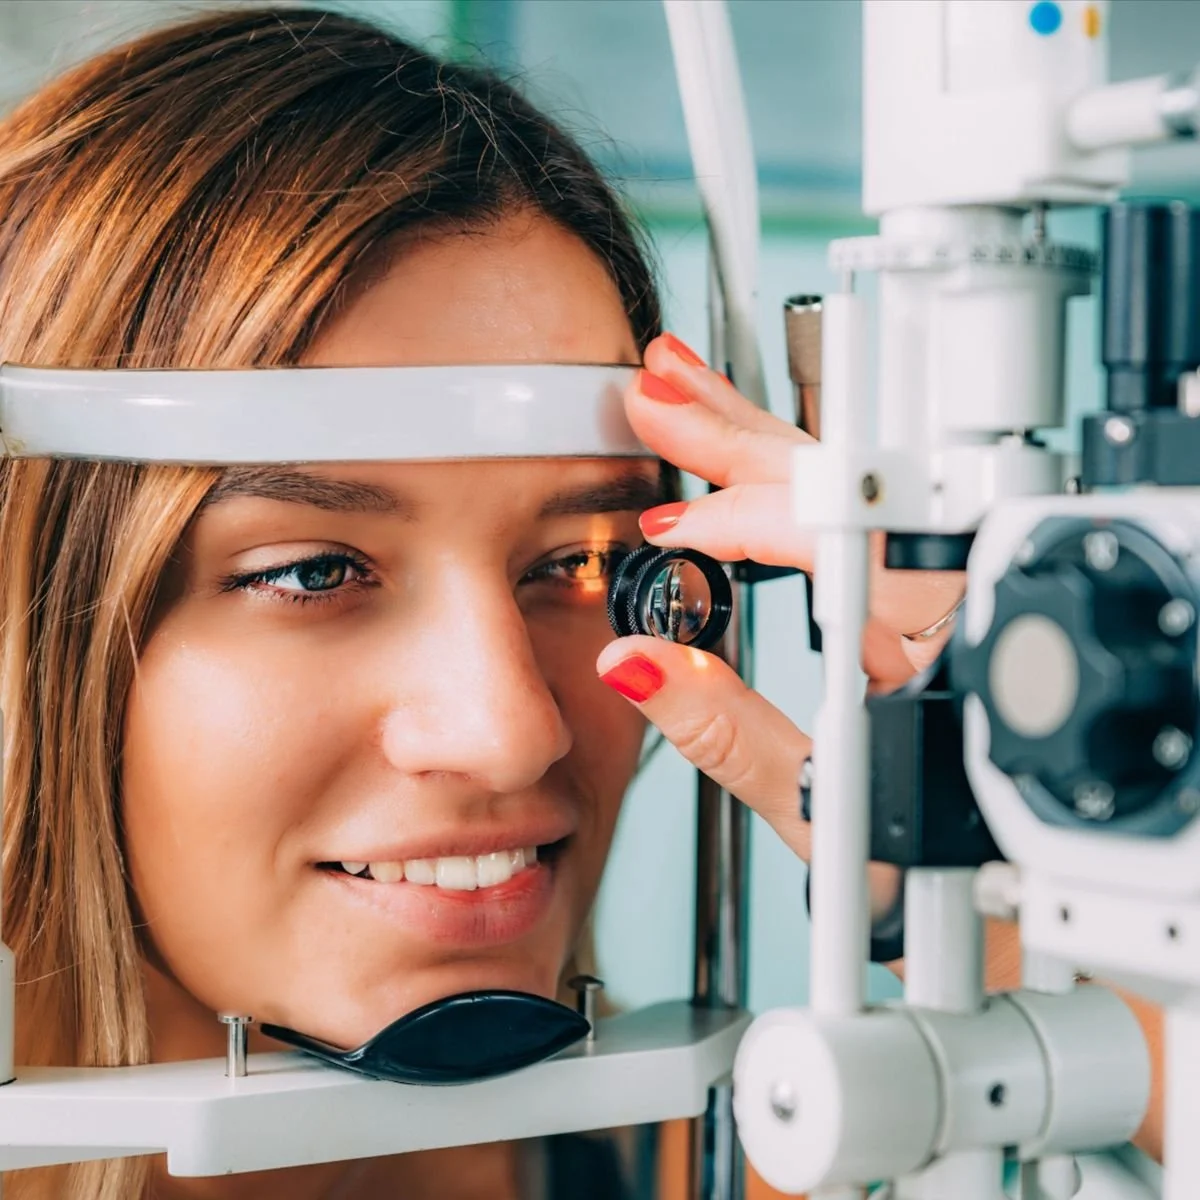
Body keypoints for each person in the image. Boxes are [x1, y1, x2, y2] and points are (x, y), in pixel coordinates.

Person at [0, 6, 1163, 1200]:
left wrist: (1025, 889)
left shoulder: (784, 1167)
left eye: (581, 564)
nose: (515, 732)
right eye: (313, 572)